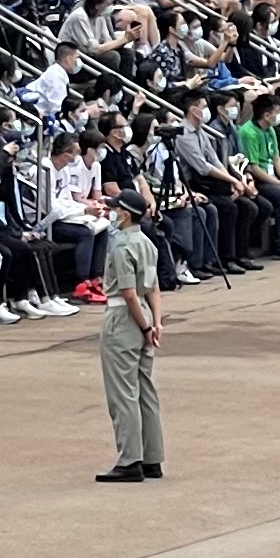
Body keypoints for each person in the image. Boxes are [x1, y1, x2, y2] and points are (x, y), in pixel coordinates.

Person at [95, 182, 166, 483]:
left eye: (115, 209)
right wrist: (155, 323)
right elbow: (154, 289)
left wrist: (146, 325)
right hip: (145, 316)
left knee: (123, 393)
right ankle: (152, 457)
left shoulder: (123, 245)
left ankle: (130, 459)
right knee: (145, 389)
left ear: (124, 215)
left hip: (125, 318)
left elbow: (128, 293)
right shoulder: (147, 243)